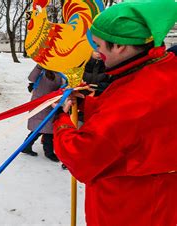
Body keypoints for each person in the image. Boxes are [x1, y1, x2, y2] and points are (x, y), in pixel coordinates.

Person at [53, 1, 177, 225]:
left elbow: (81, 157)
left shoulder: (136, 97)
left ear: (119, 46)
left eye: (99, 45)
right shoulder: (161, 68)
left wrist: (60, 120)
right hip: (159, 200)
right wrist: (86, 105)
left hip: (130, 208)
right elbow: (131, 125)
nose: (98, 54)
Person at [21, 65, 63, 162]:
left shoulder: (60, 73)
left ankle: (28, 147)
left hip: (50, 104)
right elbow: (31, 78)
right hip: (39, 104)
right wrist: (40, 66)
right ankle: (48, 153)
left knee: (47, 130)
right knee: (39, 129)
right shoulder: (41, 71)